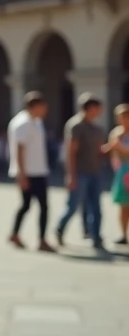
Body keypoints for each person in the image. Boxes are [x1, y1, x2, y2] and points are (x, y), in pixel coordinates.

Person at [55, 93, 106, 250]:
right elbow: (71, 152)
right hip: (80, 173)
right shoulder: (76, 126)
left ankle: (95, 236)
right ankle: (60, 228)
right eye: (97, 108)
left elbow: (100, 150)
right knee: (73, 206)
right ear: (90, 108)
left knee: (95, 207)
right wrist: (71, 175)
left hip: (94, 172)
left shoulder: (96, 128)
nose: (99, 112)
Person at [8, 91, 54, 252]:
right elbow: (19, 149)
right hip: (29, 172)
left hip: (38, 169)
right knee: (39, 206)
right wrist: (21, 174)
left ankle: (15, 233)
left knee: (28, 205)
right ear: (35, 106)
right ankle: (41, 239)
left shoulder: (36, 121)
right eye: (43, 107)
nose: (45, 110)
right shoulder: (23, 123)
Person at [103, 103, 129, 246]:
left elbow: (121, 149)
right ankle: (124, 234)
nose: (123, 120)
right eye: (121, 117)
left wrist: (119, 147)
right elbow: (111, 150)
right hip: (122, 171)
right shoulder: (116, 133)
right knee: (124, 205)